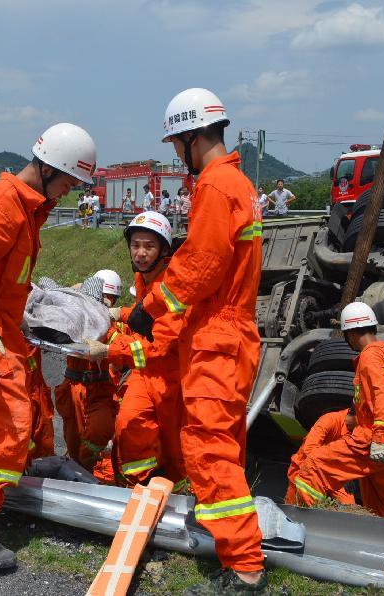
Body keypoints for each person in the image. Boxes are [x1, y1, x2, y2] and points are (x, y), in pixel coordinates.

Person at [126, 88, 267, 593]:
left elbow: (201, 265)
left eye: (175, 145)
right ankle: (233, 543)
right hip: (228, 331)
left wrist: (150, 307)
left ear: (189, 137)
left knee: (207, 445)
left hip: (217, 332)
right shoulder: (239, 184)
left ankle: (244, 565)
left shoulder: (215, 184)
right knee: (221, 442)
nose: (175, 155)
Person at [0, 122, 96, 569]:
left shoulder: (28, 209)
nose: (70, 192)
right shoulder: (2, 204)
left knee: (15, 422)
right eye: (69, 181)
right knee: (5, 428)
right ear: (48, 170)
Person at [89, 212, 187, 490]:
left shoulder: (172, 283)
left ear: (164, 250)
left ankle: (176, 497)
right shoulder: (144, 276)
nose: (141, 253)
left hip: (171, 376)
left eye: (149, 246)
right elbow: (147, 316)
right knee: (129, 424)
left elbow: (161, 345)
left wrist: (109, 350)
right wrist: (119, 312)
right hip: (146, 372)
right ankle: (136, 487)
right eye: (136, 245)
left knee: (174, 449)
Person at [290, 302, 384, 518]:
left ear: (352, 333)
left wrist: (380, 438)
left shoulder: (370, 356)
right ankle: (380, 539)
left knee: (313, 467)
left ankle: (308, 523)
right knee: (378, 504)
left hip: (375, 439)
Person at [54, 269, 123, 475]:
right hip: (73, 386)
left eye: (111, 298)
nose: (106, 302)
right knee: (73, 439)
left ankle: (85, 469)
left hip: (100, 388)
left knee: (97, 434)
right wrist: (78, 293)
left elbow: (119, 359)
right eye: (104, 297)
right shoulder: (76, 313)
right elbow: (57, 296)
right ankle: (76, 472)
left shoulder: (116, 324)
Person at [284, 408, 356, 505]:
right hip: (305, 468)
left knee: (349, 505)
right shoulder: (329, 420)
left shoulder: (357, 431)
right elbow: (309, 450)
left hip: (333, 475)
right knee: (295, 508)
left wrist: (347, 476)